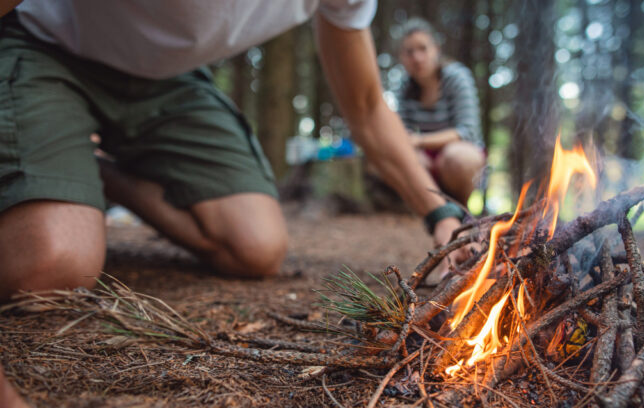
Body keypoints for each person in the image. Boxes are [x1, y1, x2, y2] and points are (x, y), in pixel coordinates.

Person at [0, 1, 469, 300]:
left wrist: (440, 212)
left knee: (256, 248)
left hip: (168, 79)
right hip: (46, 44)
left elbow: (366, 107)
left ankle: (92, 167)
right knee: (51, 269)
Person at [396, 18, 486, 206]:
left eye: (423, 49)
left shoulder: (456, 77)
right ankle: (432, 211)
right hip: (427, 158)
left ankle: (462, 211)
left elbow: (467, 132)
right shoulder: (405, 87)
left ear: (436, 49)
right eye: (409, 52)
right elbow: (403, 133)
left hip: (460, 155)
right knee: (404, 160)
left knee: (458, 158)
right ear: (402, 58)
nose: (417, 58)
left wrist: (420, 141)